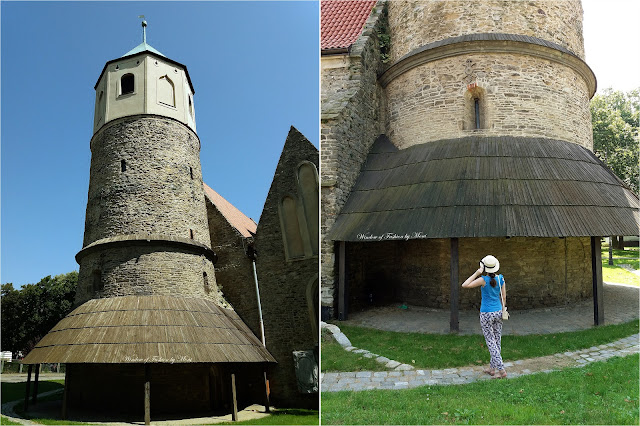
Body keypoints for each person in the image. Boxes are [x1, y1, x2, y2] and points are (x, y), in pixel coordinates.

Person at [461, 254, 507, 379]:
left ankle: (501, 370)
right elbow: (503, 297)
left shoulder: (483, 280)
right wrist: (503, 310)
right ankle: (492, 368)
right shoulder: (501, 279)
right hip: (498, 311)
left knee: (491, 342)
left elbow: (465, 285)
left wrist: (477, 272)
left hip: (486, 313)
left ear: (484, 267)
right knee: (497, 340)